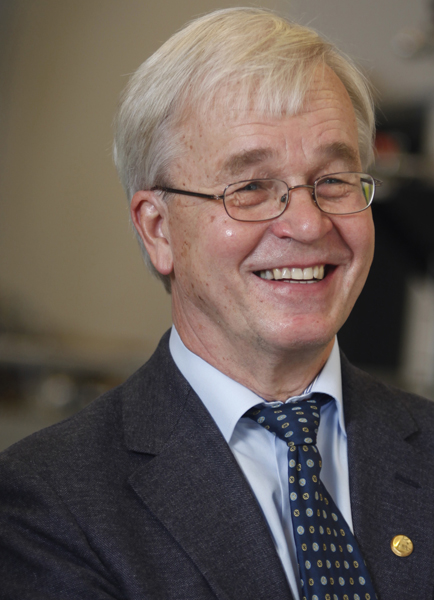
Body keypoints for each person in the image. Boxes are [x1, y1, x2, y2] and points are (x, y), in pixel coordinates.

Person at [1, 7, 433, 600]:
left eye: (333, 180)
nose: (308, 224)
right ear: (158, 230)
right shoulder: (48, 506)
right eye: (250, 187)